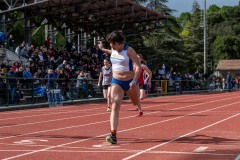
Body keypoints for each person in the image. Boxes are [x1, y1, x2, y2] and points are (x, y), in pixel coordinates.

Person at [98, 30, 141, 144]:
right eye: (110, 44)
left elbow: (138, 66)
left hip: (130, 82)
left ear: (119, 43)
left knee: (136, 102)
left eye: (112, 43)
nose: (111, 46)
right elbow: (109, 51)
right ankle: (113, 134)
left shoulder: (129, 50)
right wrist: (101, 48)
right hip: (116, 81)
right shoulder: (113, 50)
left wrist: (135, 81)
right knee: (115, 104)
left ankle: (138, 104)